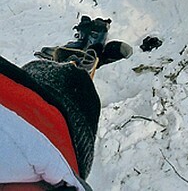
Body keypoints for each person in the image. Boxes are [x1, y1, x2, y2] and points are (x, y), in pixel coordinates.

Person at [0, 16, 132, 190]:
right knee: (74, 91)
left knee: (60, 88)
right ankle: (79, 62)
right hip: (55, 137)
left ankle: (75, 62)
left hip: (35, 119)